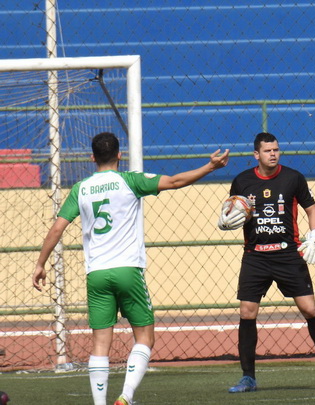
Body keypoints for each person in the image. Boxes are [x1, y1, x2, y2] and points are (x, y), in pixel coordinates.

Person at [32, 132, 230, 405]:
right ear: (119, 155)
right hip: (128, 270)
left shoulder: (81, 188)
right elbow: (175, 181)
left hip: (96, 273)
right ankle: (125, 397)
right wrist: (210, 167)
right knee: (145, 338)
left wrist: (40, 264)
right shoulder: (130, 181)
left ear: (92, 158)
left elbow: (57, 228)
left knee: (100, 343)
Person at [218, 132, 315, 393]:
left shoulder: (293, 178)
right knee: (247, 312)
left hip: (288, 255)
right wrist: (225, 221)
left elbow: (311, 209)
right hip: (255, 256)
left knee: (310, 309)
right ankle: (248, 378)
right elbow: (233, 210)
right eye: (267, 151)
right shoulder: (242, 181)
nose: (273, 154)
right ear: (256, 154)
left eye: (276, 150)